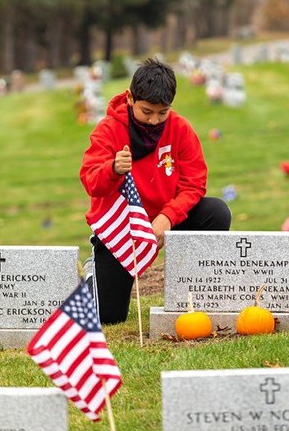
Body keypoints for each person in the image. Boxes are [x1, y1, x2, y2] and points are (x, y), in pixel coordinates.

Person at [81, 58, 231, 324]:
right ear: (130, 98)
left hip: (165, 218)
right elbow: (91, 180)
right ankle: (95, 271)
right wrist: (113, 169)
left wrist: (167, 217)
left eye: (162, 112)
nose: (154, 120)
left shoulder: (180, 128)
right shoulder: (109, 129)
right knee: (109, 316)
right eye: (147, 111)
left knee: (216, 212)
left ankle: (194, 289)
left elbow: (194, 182)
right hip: (124, 226)